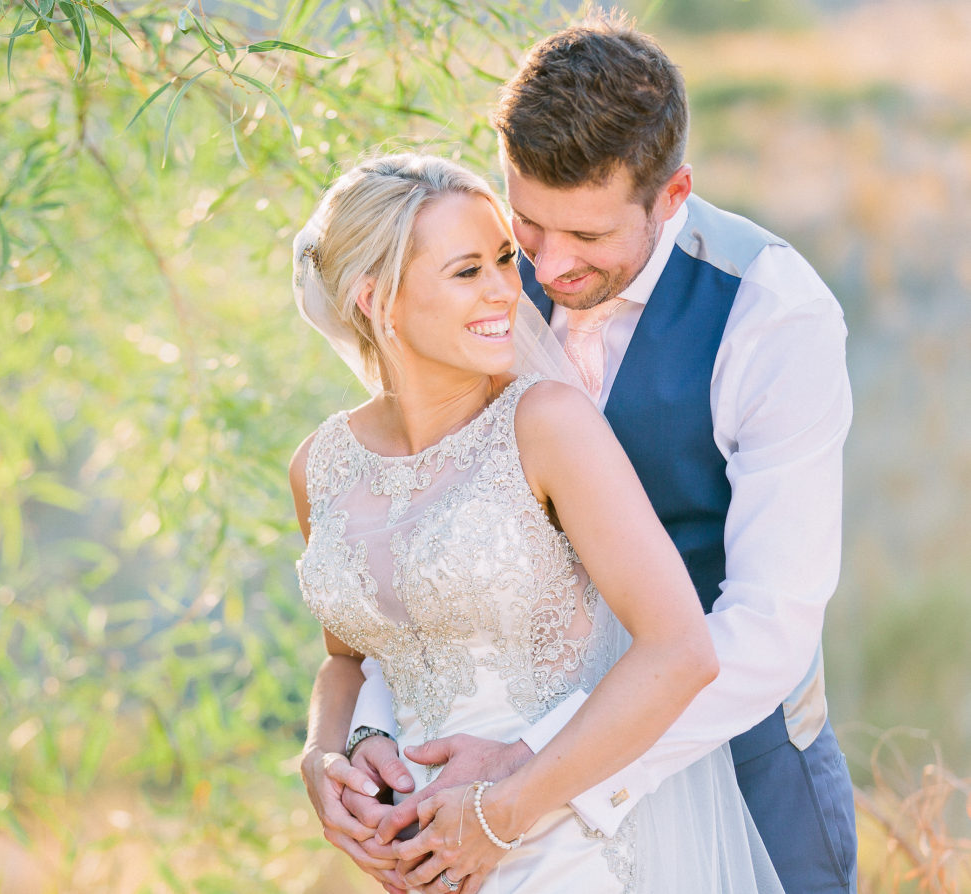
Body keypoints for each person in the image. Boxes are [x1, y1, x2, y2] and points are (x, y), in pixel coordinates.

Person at [304, 14, 857, 894]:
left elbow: (768, 624)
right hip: (488, 791)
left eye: (589, 239)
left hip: (740, 759)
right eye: (528, 224)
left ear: (671, 195)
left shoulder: (772, 314)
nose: (548, 269)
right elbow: (410, 548)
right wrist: (356, 739)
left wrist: (532, 772)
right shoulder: (479, 273)